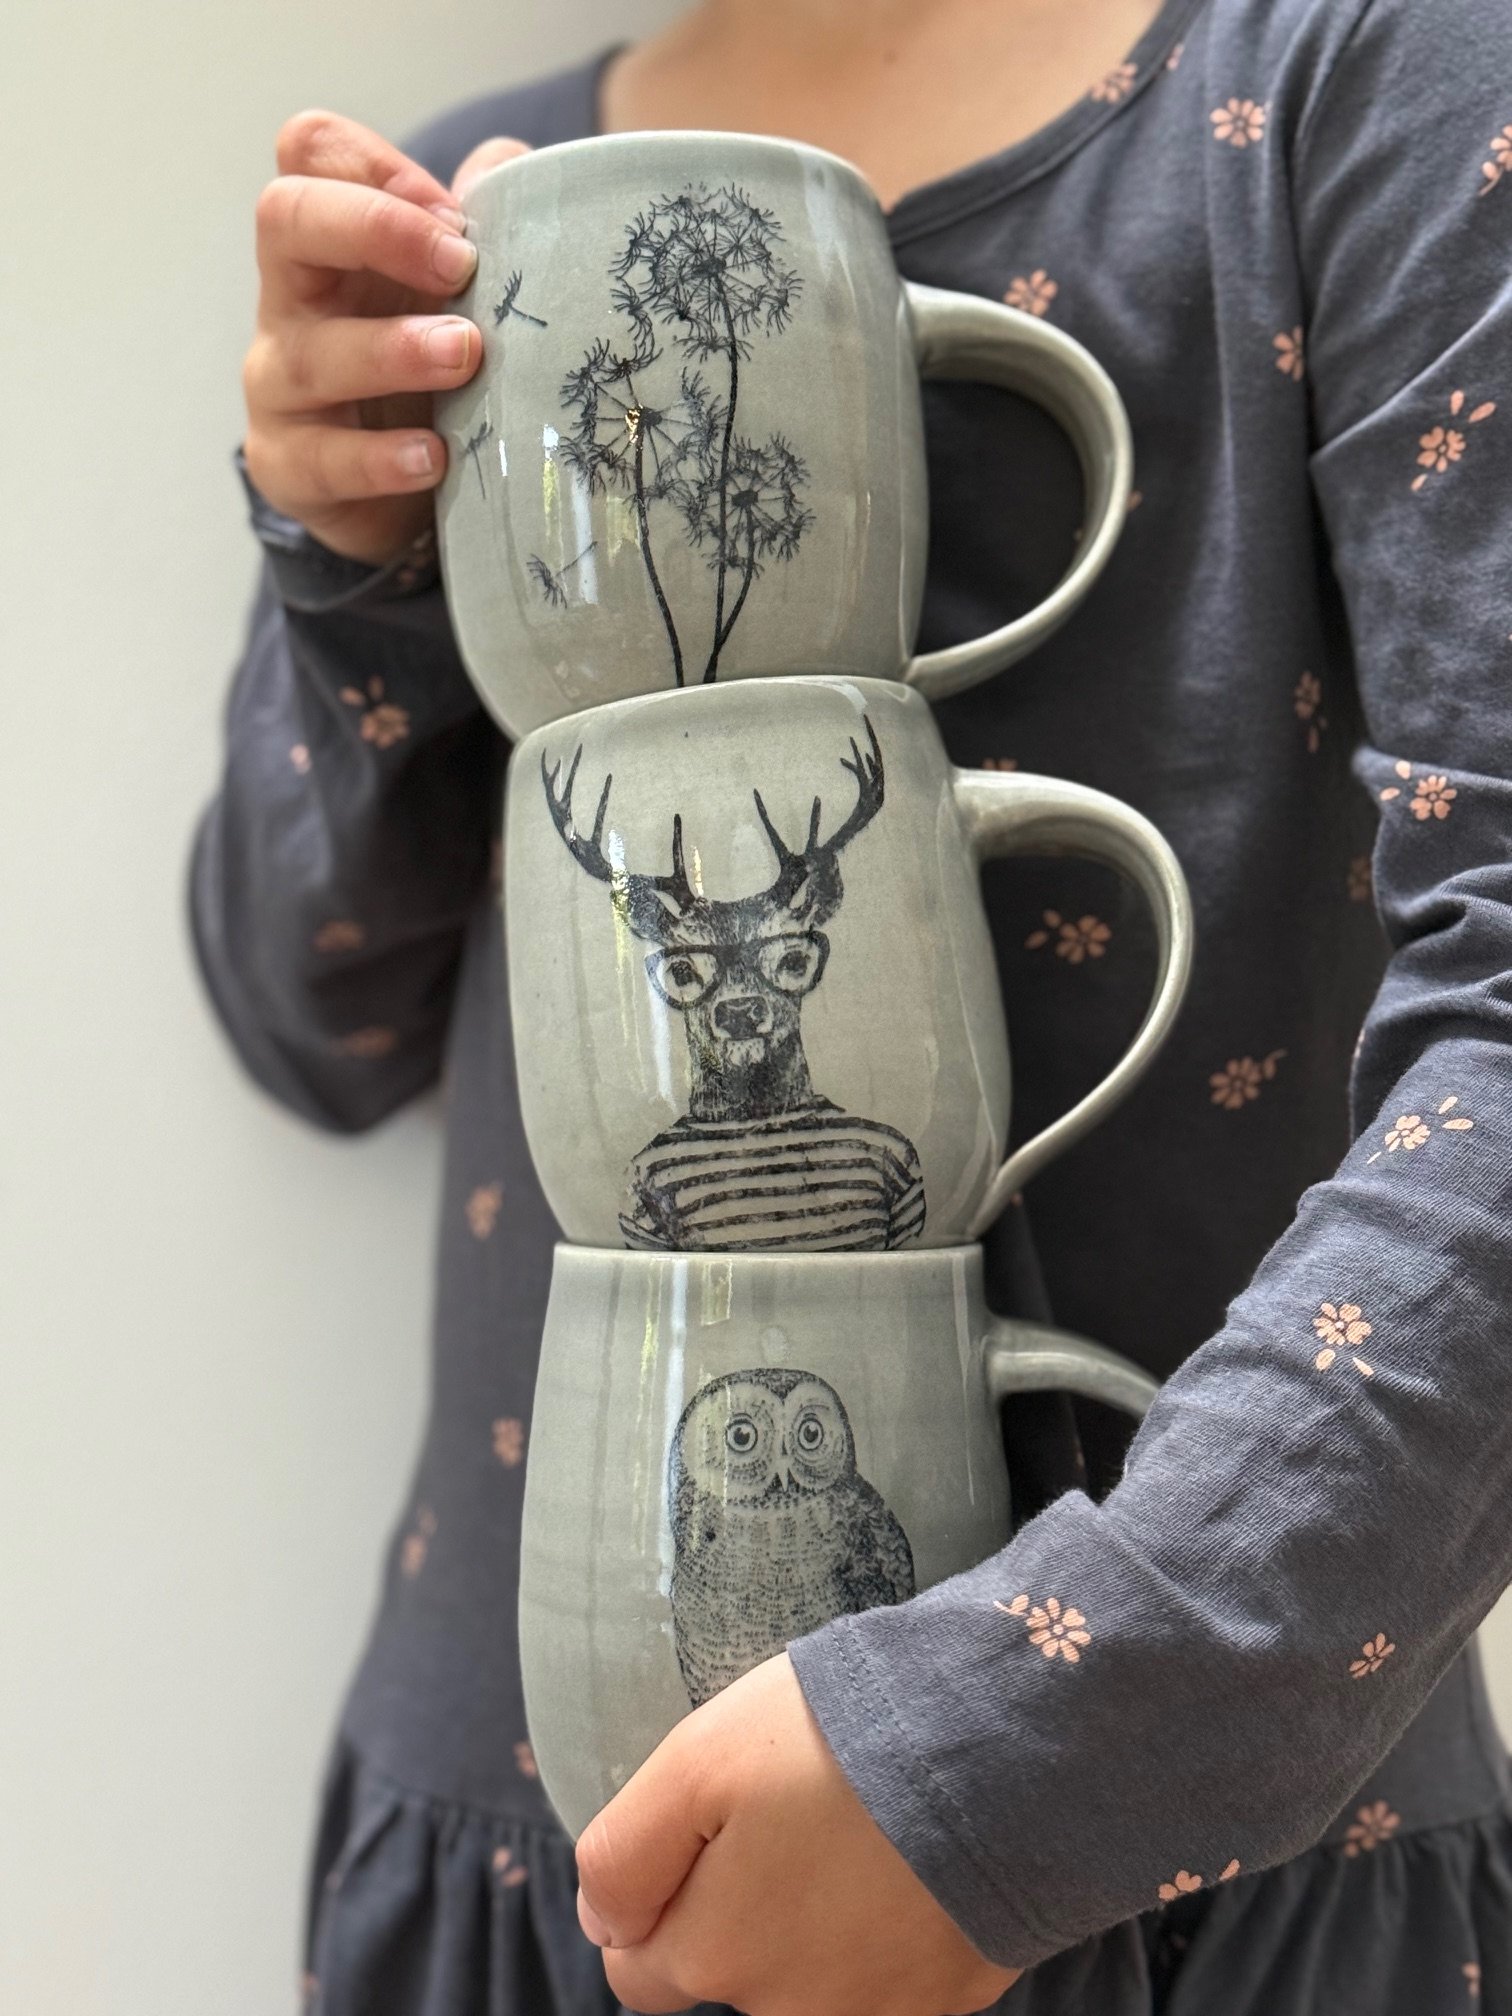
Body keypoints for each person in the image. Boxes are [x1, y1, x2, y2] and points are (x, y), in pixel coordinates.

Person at [191, 0, 1512, 2009]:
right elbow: (315, 1020)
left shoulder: (1368, 73)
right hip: (524, 1846)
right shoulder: (479, 217)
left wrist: (1046, 1746)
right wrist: (353, 564)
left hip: (1210, 1865)